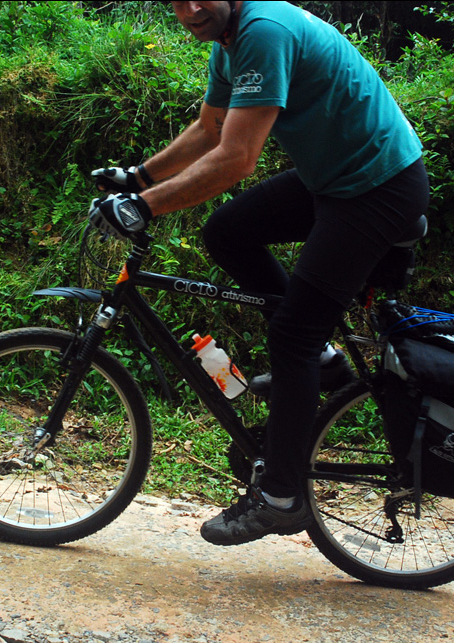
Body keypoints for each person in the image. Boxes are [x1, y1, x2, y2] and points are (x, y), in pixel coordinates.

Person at [89, 0, 429, 546]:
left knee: (293, 335)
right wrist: (139, 178)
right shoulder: (229, 39)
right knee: (227, 232)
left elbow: (237, 157)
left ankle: (282, 498)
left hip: (378, 187)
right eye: (178, 0)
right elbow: (211, 129)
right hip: (334, 180)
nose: (191, 8)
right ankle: (324, 364)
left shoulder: (263, 31)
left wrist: (144, 207)